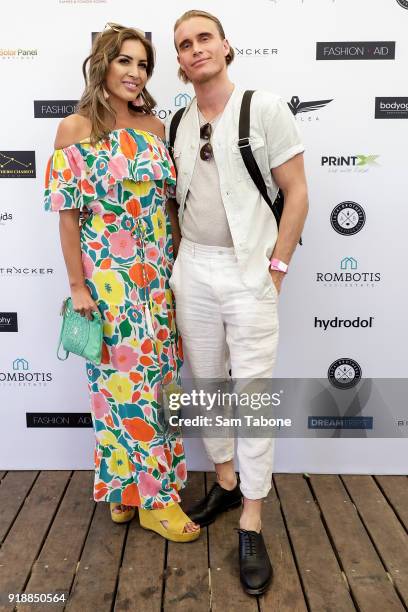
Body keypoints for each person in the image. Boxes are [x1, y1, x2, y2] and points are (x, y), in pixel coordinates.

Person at [166, 10, 308, 593]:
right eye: (184, 45)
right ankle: (225, 480)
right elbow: (173, 204)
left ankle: (252, 514)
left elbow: (296, 192)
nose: (195, 49)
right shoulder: (174, 120)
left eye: (204, 38)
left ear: (225, 46)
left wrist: (276, 269)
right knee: (204, 385)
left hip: (250, 271)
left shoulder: (265, 107)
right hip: (192, 269)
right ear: (178, 62)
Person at [44, 23, 199, 542]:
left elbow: (168, 209)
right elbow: (68, 218)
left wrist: (177, 270)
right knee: (120, 390)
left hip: (157, 280)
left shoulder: (156, 129)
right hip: (107, 283)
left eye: (144, 65)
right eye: (125, 62)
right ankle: (154, 499)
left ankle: (126, 490)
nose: (136, 74)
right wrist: (77, 287)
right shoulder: (75, 128)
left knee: (159, 387)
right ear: (103, 64)